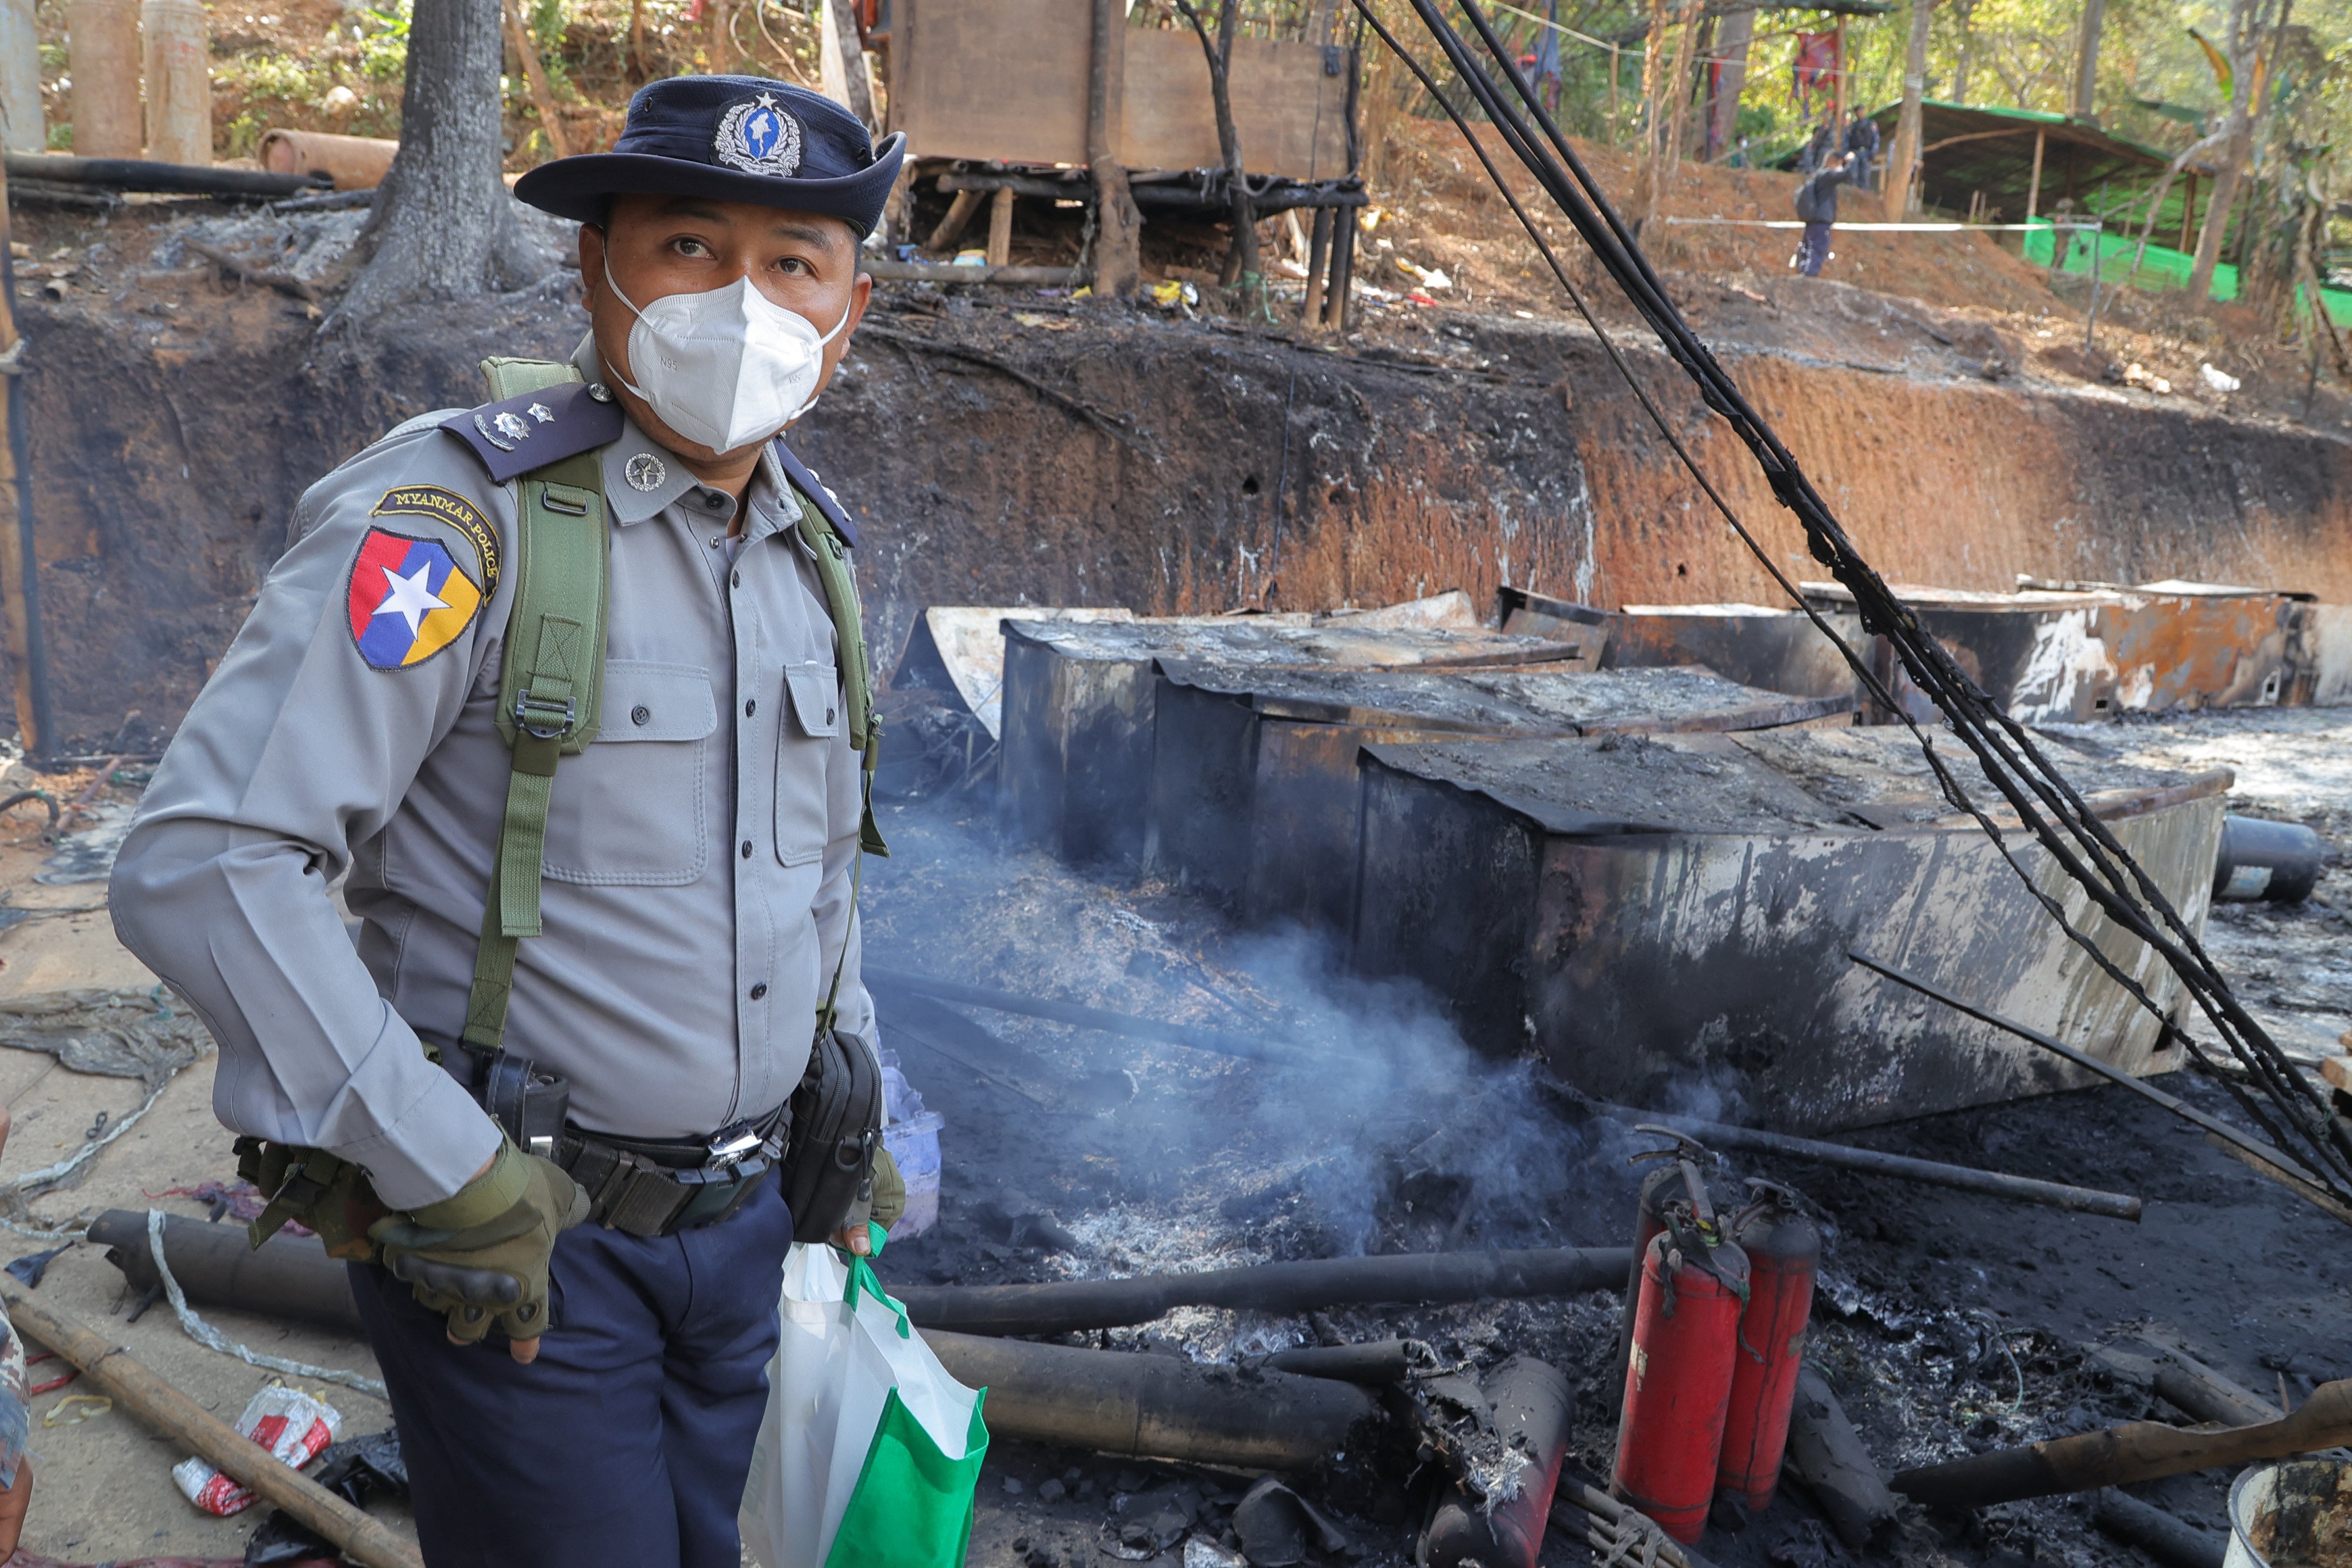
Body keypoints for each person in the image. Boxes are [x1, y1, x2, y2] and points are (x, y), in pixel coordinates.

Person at [110, 75, 905, 1568]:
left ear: (848, 308)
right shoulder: (457, 520)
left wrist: (849, 1106)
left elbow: (816, 882)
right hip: (523, 1235)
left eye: (794, 261)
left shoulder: (813, 556)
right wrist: (438, 1167)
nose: (743, 302)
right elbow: (207, 863)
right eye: (687, 247)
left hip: (744, 1240)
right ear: (594, 270)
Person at [1791, 150, 1857, 277]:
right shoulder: (1827, 175)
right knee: (1818, 249)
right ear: (1836, 163)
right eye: (1840, 164)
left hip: (1812, 221)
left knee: (1808, 249)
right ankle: (1809, 277)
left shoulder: (1817, 176)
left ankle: (1803, 274)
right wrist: (1852, 160)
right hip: (1821, 222)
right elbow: (1847, 174)